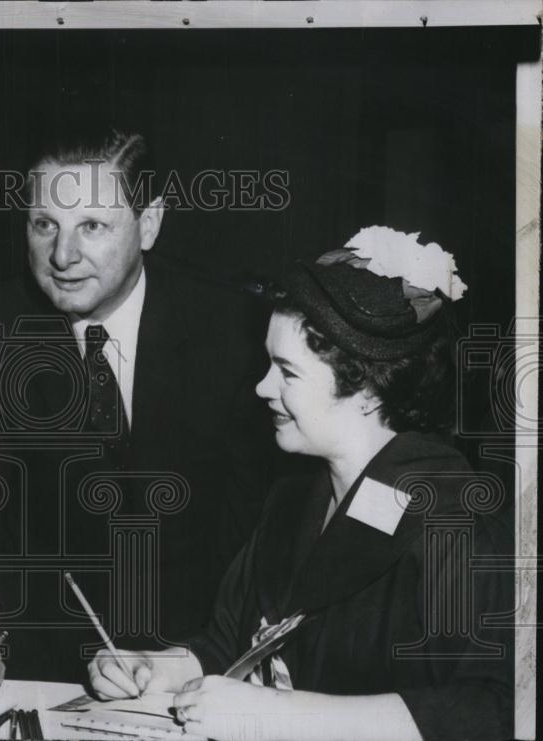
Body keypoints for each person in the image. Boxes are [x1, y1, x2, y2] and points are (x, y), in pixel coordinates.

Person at [87, 227, 513, 740]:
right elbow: (227, 648)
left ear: (367, 390)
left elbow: (492, 709)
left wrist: (275, 716)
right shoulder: (295, 495)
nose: (262, 387)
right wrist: (155, 669)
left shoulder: (456, 519)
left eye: (287, 372)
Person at [0, 127, 274, 698]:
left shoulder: (233, 330)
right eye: (44, 225)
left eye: (92, 226)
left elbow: (258, 518)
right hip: (40, 665)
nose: (62, 257)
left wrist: (202, 658)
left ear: (150, 223)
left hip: (200, 659)